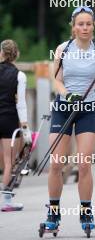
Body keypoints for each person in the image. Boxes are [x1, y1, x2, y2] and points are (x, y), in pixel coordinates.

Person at [41, 6, 95, 233]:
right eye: (80, 24)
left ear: (93, 25)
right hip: (63, 108)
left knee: (84, 164)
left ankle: (86, 213)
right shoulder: (63, 49)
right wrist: (68, 95)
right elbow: (56, 80)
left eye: (88, 23)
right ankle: (53, 214)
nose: (84, 28)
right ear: (73, 27)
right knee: (57, 163)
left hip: (86, 110)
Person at [0, 39, 32, 211]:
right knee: (9, 161)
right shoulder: (20, 76)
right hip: (8, 120)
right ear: (16, 54)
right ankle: (7, 201)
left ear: (1, 53)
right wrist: (25, 127)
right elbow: (21, 104)